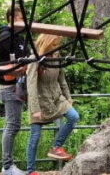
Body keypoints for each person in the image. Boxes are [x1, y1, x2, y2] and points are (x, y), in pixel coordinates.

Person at [25, 33, 79, 172]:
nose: (57, 47)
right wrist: (35, 108)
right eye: (54, 45)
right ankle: (31, 171)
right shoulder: (35, 59)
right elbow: (31, 85)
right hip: (40, 101)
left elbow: (61, 79)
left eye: (57, 45)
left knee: (74, 117)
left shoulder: (57, 57)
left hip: (56, 98)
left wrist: (68, 97)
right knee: (35, 137)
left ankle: (56, 147)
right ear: (47, 44)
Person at [0, 5, 30, 175]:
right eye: (19, 19)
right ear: (10, 19)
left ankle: (9, 165)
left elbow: (25, 58)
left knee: (15, 125)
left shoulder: (19, 37)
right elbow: (15, 60)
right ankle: (7, 166)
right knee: (12, 125)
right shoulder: (6, 36)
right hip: (9, 85)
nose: (21, 22)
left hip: (19, 84)